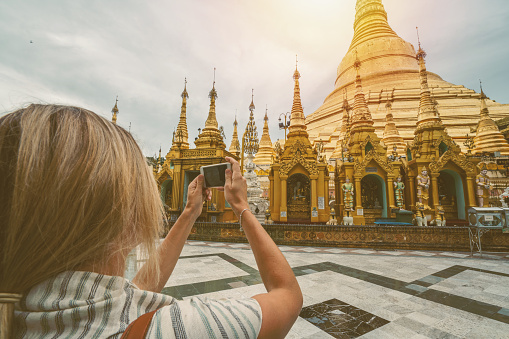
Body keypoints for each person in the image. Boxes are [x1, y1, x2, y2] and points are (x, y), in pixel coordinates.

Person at [0, 104, 302, 338]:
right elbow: (287, 296)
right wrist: (242, 208)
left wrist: (188, 215)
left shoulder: (24, 311)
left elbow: (133, 293)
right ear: (128, 225)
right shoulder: (175, 329)